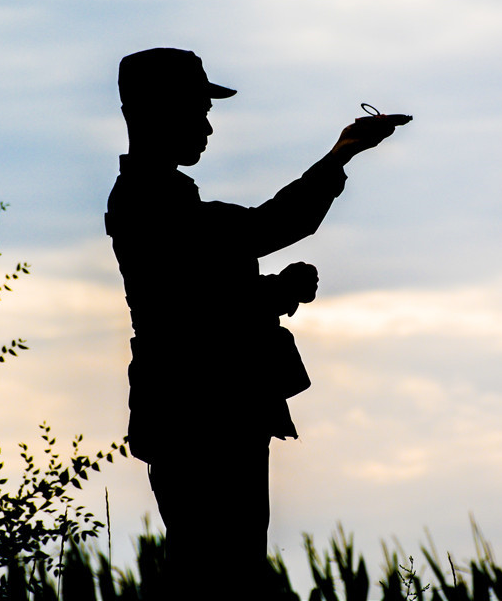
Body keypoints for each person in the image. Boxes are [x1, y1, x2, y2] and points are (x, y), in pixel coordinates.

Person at [105, 48, 407, 599]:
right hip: (203, 415)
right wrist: (339, 158)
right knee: (218, 574)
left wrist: (275, 292)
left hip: (201, 412)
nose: (207, 125)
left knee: (217, 569)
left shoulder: (159, 201)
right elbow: (249, 250)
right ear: (156, 112)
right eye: (197, 109)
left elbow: (208, 296)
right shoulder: (153, 203)